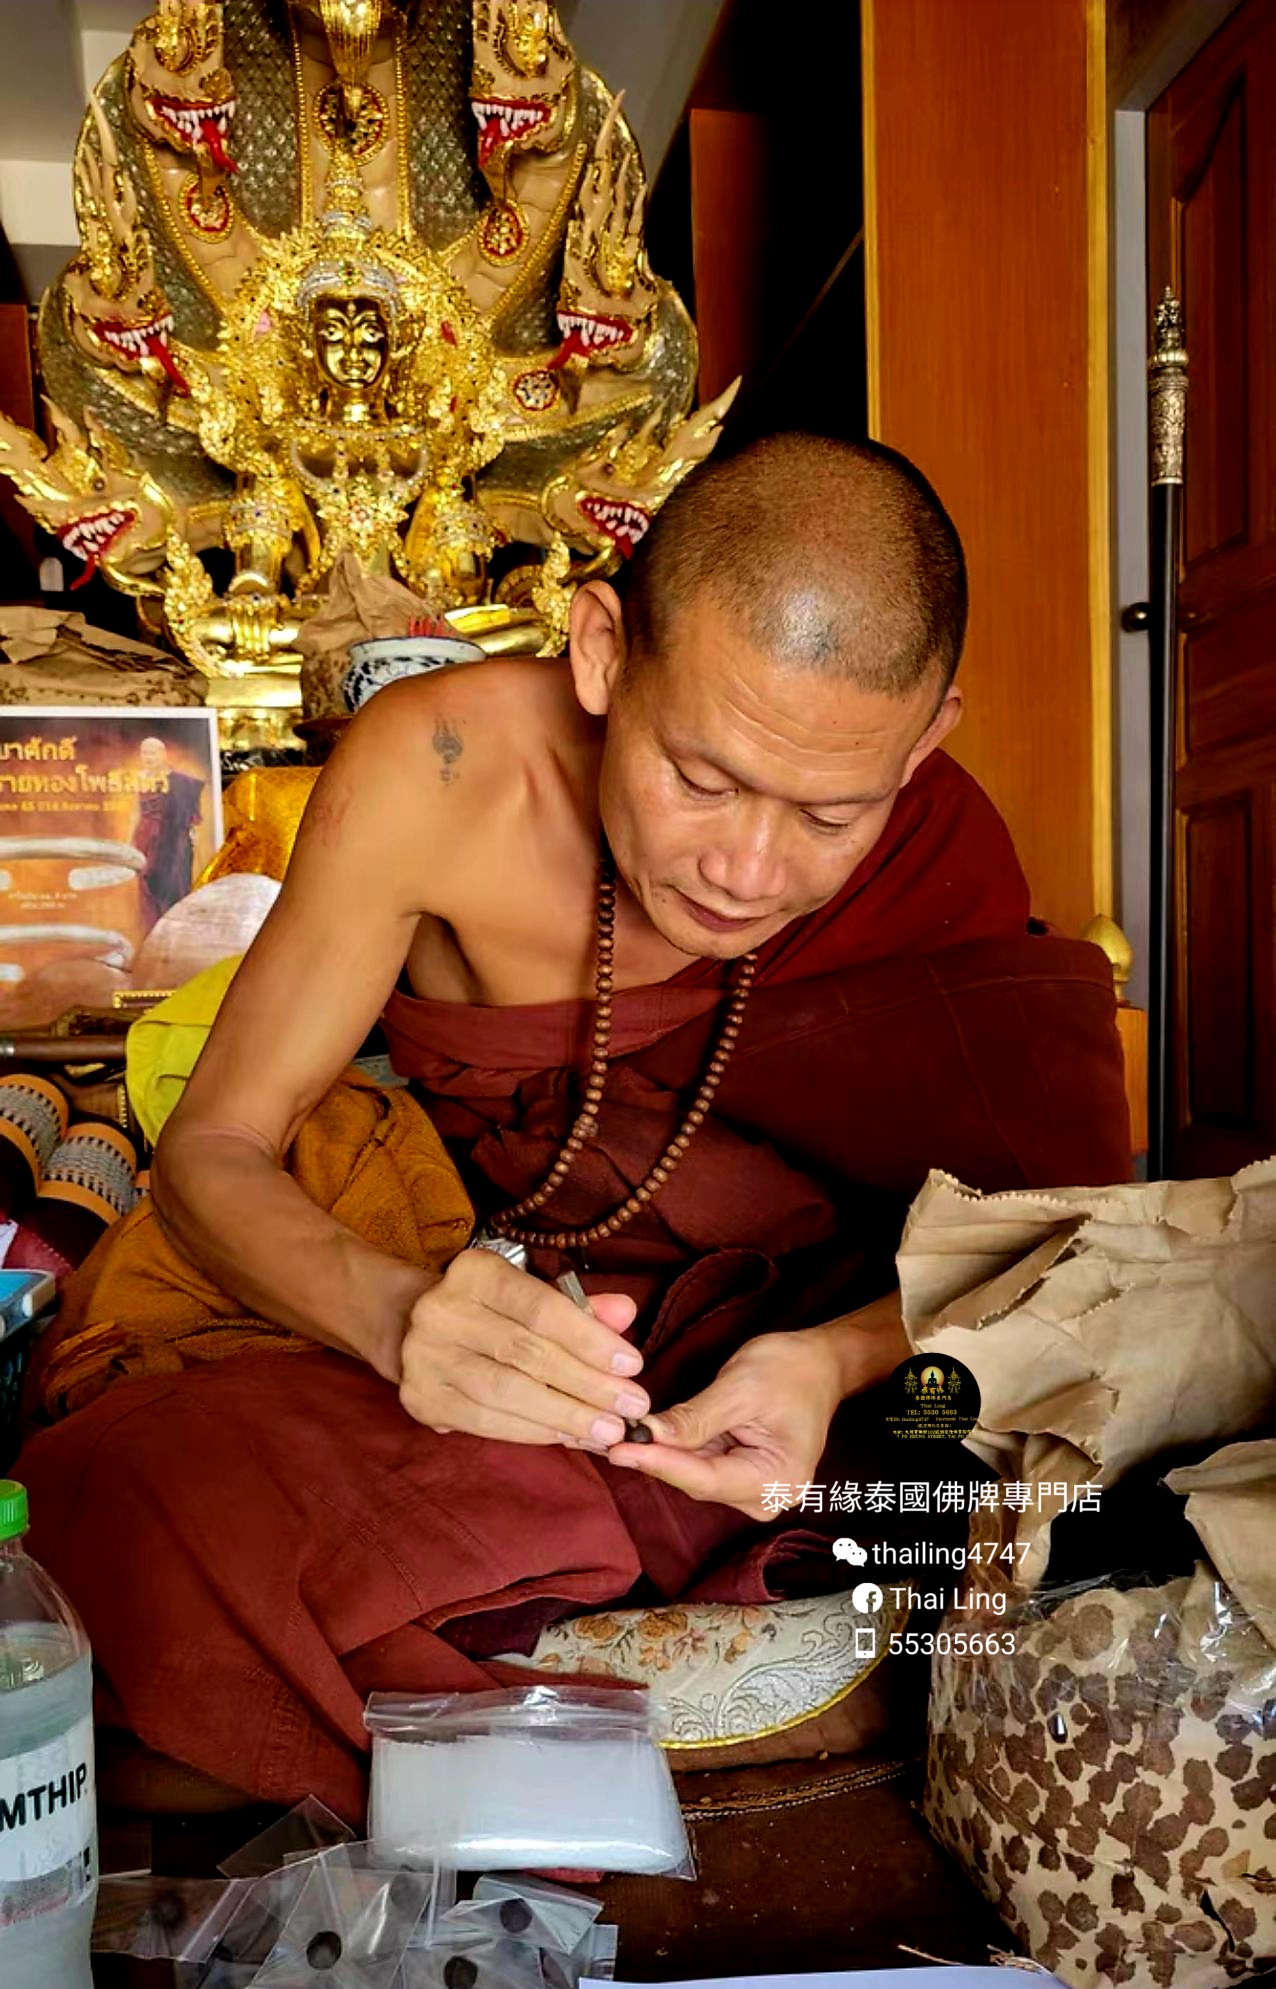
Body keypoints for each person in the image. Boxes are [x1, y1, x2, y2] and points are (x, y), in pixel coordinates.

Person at [15, 435, 1131, 1818]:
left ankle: (480, 1677)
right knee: (132, 1500)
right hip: (526, 1340)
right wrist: (402, 1320)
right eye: (701, 779)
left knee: (1082, 1467)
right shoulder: (439, 771)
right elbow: (212, 1149)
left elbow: (1073, 1247)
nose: (747, 869)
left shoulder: (938, 838)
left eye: (831, 813)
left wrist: (836, 1361)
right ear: (602, 651)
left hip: (813, 1390)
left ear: (924, 739)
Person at [131, 735, 205, 930]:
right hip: (146, 839)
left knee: (174, 886)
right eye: (144, 753)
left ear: (163, 754)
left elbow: (190, 815)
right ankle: (152, 933)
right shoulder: (139, 779)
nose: (148, 757)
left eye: (152, 753)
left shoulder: (181, 782)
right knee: (148, 888)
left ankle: (175, 932)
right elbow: (137, 813)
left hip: (174, 841)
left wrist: (191, 834)